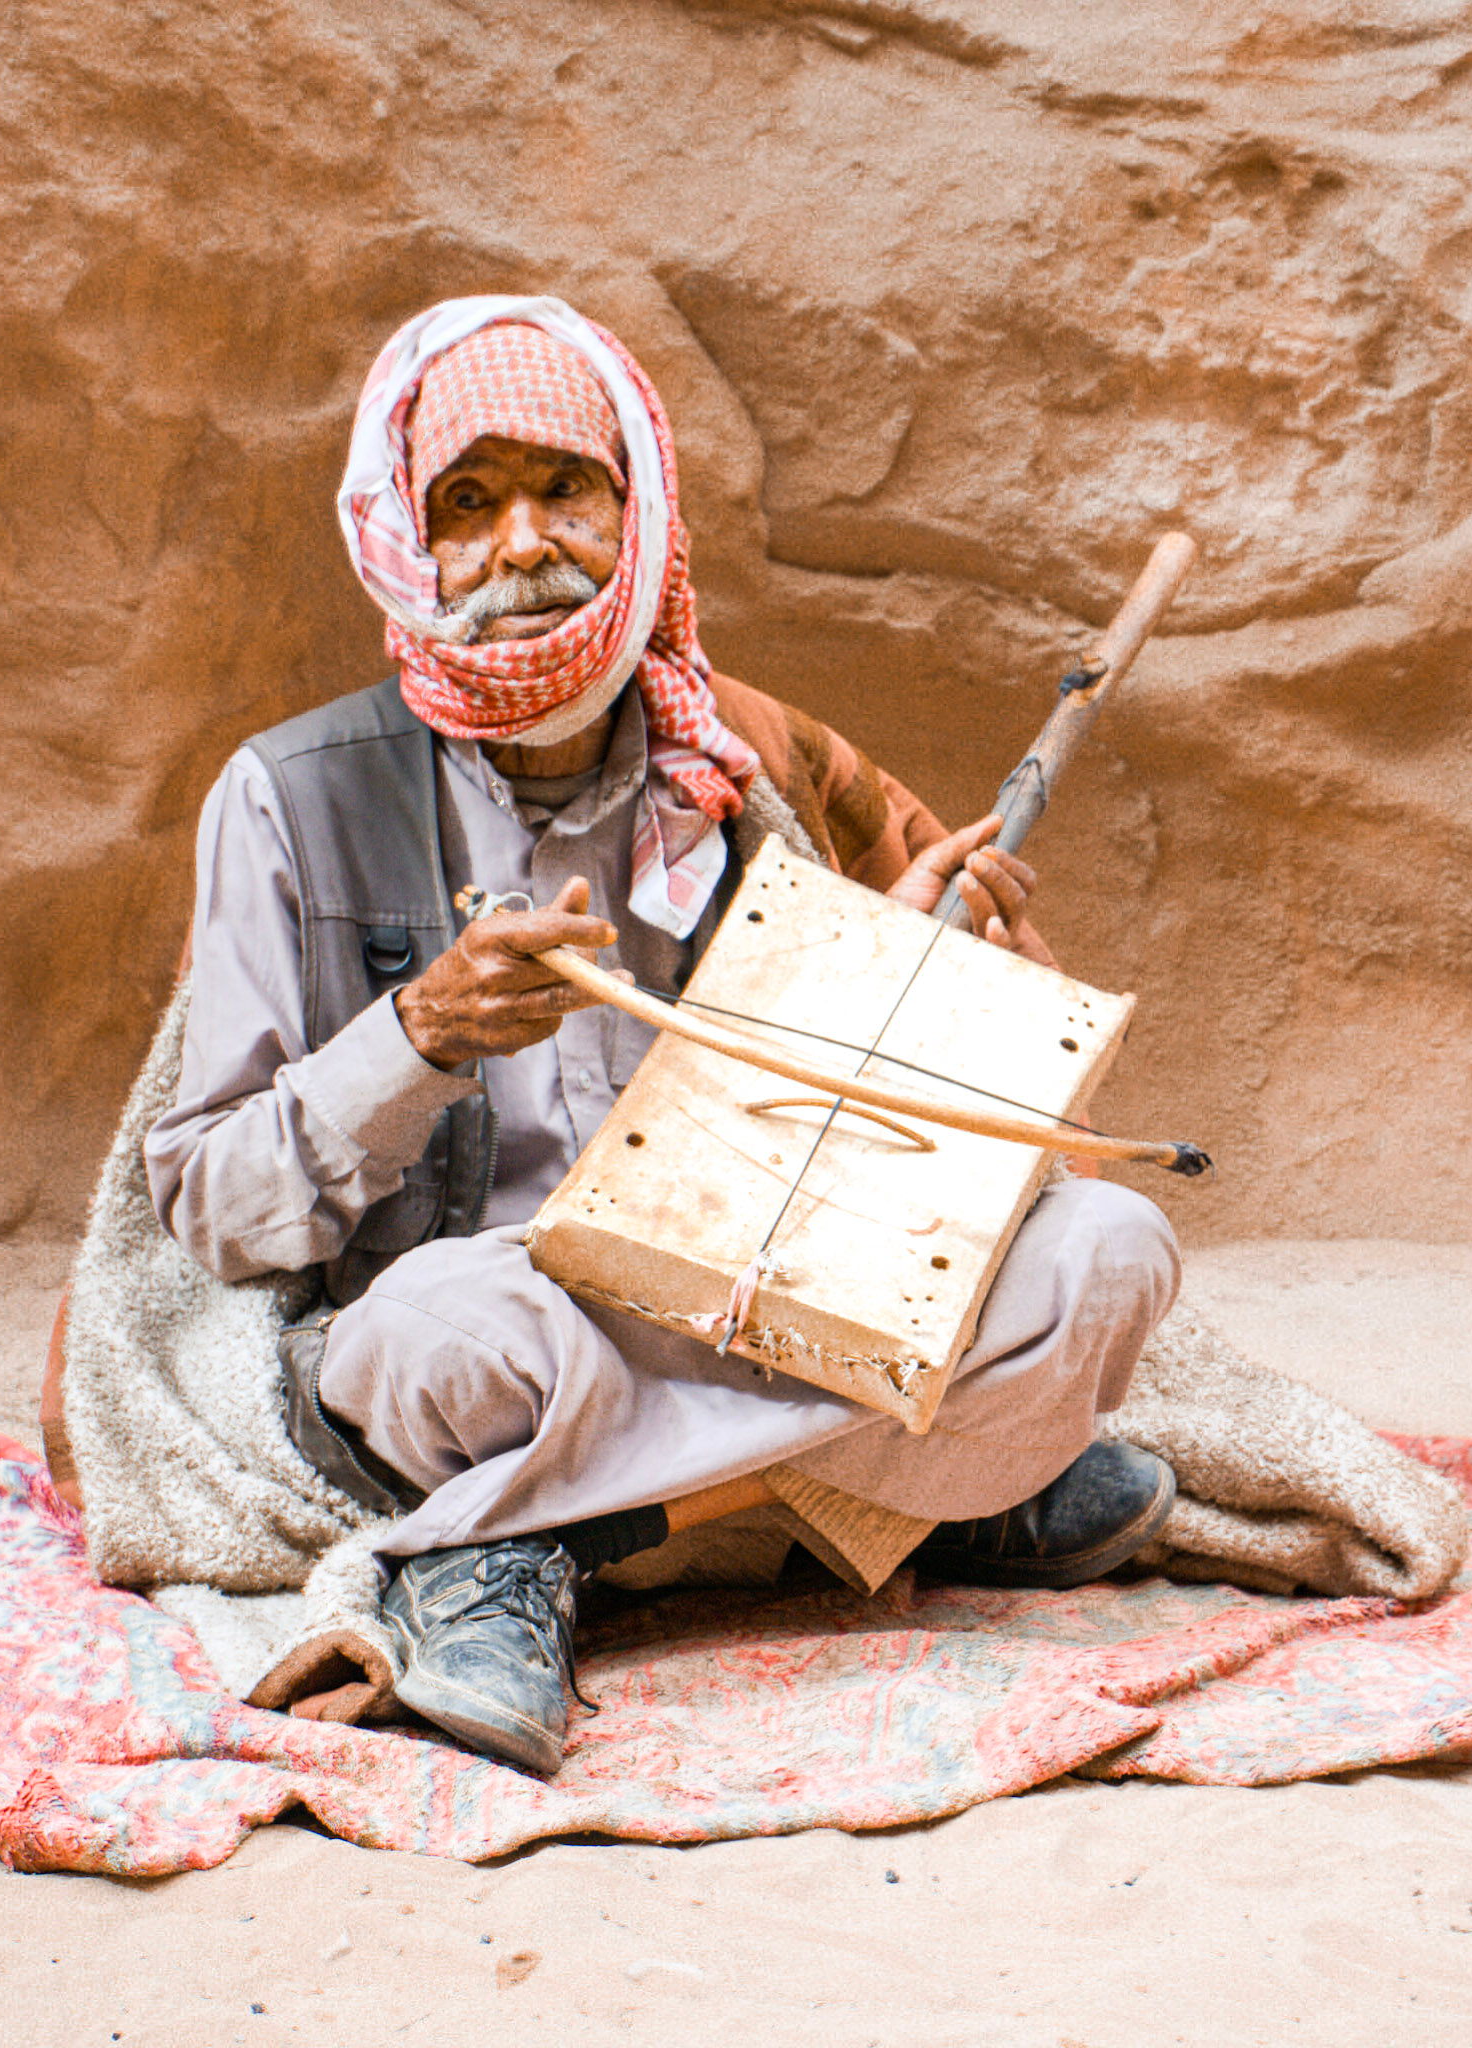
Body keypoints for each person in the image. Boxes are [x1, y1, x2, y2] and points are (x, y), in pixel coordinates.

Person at [145, 296, 1181, 1778]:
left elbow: (881, 1157)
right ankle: (928, 1501)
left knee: (1111, 1252)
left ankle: (531, 1555)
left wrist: (915, 974)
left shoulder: (742, 762)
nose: (522, 543)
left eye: (565, 487)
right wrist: (419, 1034)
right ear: (405, 537)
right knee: (434, 1342)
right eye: (470, 502)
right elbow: (207, 1209)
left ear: (638, 513)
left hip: (770, 1312)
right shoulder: (286, 796)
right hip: (515, 1333)